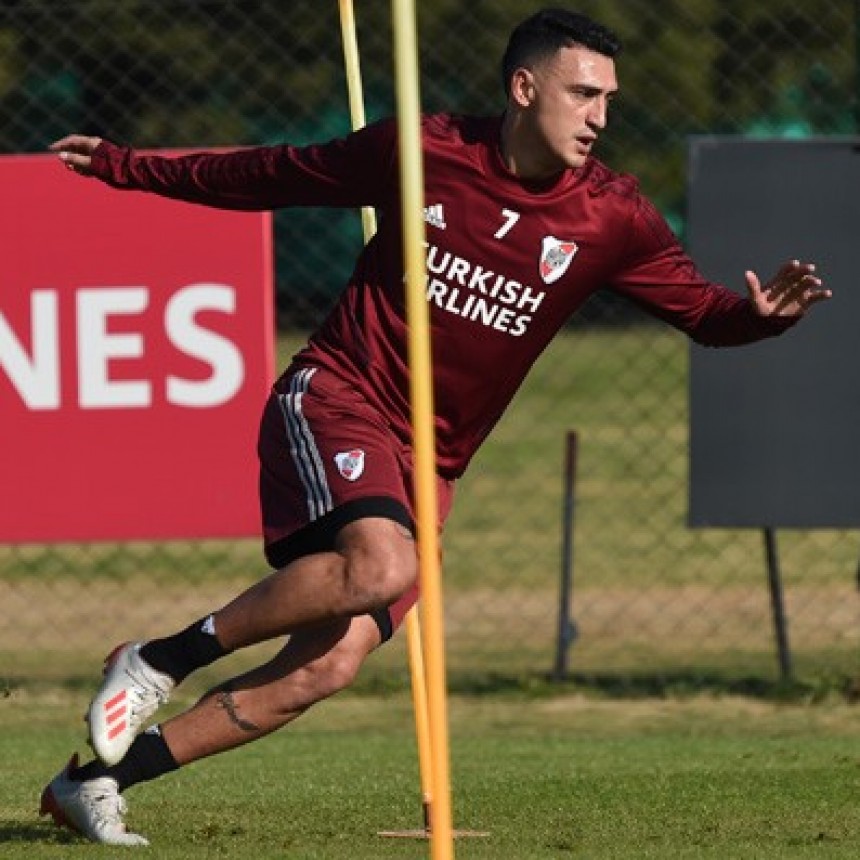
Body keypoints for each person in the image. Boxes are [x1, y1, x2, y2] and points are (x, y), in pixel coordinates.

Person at [40, 7, 830, 846]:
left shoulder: (612, 217)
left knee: (327, 666)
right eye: (583, 93)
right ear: (525, 89)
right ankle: (159, 660)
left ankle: (93, 782)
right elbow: (269, 173)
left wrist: (761, 317)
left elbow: (705, 313)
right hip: (338, 395)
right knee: (382, 565)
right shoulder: (423, 151)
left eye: (609, 99)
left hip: (432, 462)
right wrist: (127, 168)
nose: (601, 116)